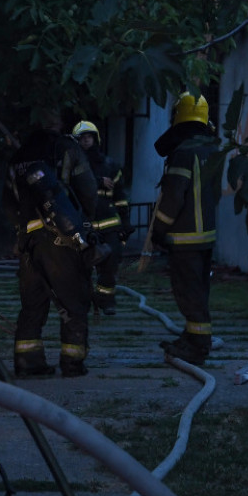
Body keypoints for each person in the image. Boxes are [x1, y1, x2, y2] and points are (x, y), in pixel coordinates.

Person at [3, 109, 100, 378]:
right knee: (74, 301)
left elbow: (8, 202)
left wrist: (21, 231)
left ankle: (27, 362)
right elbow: (88, 190)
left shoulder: (19, 157)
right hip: (63, 238)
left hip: (29, 242)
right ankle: (72, 363)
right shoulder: (68, 148)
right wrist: (84, 225)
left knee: (33, 303)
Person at [150, 92, 220, 366]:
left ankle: (198, 346)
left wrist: (158, 230)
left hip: (183, 237)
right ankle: (191, 338)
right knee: (199, 290)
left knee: (188, 293)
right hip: (206, 237)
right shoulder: (212, 150)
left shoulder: (182, 154)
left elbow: (173, 198)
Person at [71, 120, 134, 315]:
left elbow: (120, 197)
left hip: (109, 224)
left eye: (88, 137)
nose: (85, 141)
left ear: (96, 139)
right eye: (81, 138)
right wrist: (97, 181)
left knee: (111, 261)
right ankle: (81, 301)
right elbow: (68, 185)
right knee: (80, 266)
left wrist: (125, 222)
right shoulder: (72, 167)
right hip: (83, 224)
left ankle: (105, 299)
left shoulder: (110, 166)